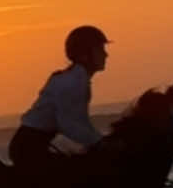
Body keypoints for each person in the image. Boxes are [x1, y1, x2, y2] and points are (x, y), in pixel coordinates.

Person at [8, 26, 109, 168]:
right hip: (28, 149)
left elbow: (81, 122)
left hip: (36, 144)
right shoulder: (73, 82)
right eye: (100, 50)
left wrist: (101, 140)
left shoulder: (78, 79)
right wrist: (100, 142)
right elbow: (68, 124)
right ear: (84, 55)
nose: (106, 55)